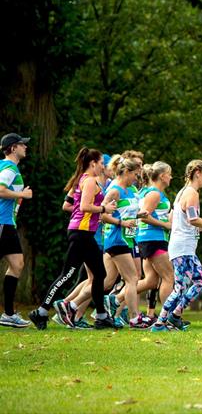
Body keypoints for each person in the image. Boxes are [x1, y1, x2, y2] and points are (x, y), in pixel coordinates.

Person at [29, 148, 118, 329]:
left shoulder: (83, 179)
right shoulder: (90, 180)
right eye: (101, 163)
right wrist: (104, 209)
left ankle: (101, 316)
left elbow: (77, 205)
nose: (103, 166)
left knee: (99, 273)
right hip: (81, 233)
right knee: (67, 275)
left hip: (85, 233)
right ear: (93, 163)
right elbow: (85, 206)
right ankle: (41, 312)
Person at [71, 157, 148, 328]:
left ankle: (72, 307)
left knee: (108, 281)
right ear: (126, 172)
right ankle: (134, 317)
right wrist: (122, 223)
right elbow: (103, 215)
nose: (137, 177)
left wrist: (137, 216)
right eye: (135, 174)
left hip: (129, 237)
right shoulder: (114, 190)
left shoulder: (132, 189)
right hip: (116, 238)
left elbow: (124, 212)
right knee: (131, 278)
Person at [151, 160, 202, 331]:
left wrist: (196, 227)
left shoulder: (182, 192)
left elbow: (178, 219)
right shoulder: (192, 193)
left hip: (181, 246)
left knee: (191, 284)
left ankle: (174, 316)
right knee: (194, 284)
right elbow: (193, 219)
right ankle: (161, 322)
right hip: (183, 248)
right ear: (197, 173)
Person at [133, 162, 175, 321]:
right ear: (163, 176)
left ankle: (115, 299)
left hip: (149, 239)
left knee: (151, 280)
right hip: (153, 239)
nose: (171, 177)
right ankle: (168, 317)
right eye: (169, 174)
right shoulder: (154, 193)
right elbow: (144, 215)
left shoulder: (149, 191)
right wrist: (166, 225)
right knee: (169, 277)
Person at [0, 133, 33, 328]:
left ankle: (9, 314)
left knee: (17, 264)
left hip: (7, 223)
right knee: (17, 264)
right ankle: (9, 314)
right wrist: (22, 194)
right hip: (2, 223)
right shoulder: (9, 167)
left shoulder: (7, 167)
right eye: (22, 145)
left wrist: (18, 198)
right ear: (13, 148)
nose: (25, 147)